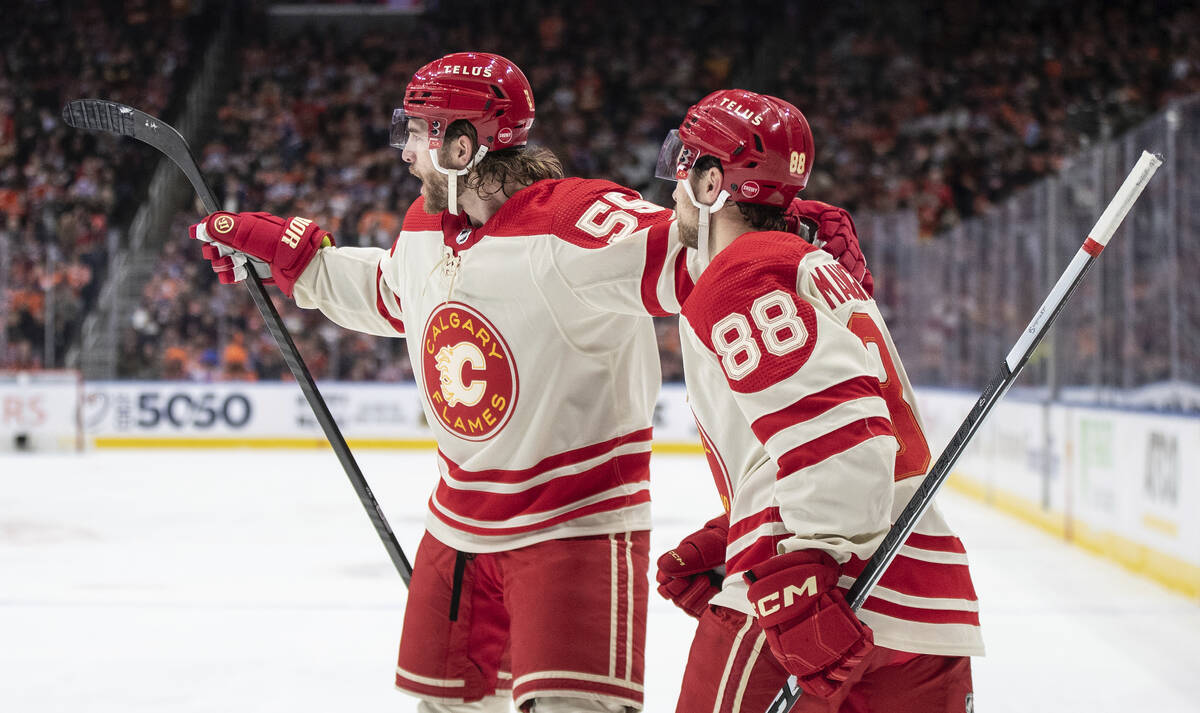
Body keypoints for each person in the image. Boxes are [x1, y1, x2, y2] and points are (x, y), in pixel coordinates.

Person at [188, 51, 694, 713]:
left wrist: (788, 236)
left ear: (463, 145)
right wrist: (290, 253)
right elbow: (390, 293)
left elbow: (701, 256)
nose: (404, 151)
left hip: (573, 528)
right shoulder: (428, 227)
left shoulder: (576, 223)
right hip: (457, 531)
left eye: (418, 131)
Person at [652, 89, 984, 713]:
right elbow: (847, 426)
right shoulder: (809, 267)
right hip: (922, 610)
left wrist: (802, 569)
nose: (671, 186)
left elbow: (841, 441)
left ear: (711, 181)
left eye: (684, 162)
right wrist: (736, 525)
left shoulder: (741, 273)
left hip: (814, 599)